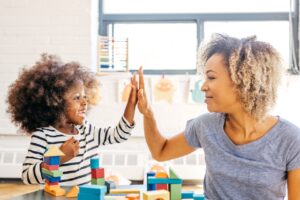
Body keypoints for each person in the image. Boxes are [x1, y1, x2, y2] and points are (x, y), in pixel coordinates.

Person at [137, 34, 300, 199]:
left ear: (242, 81)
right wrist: (148, 114)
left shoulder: (290, 139)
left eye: (211, 77)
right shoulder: (205, 126)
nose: (203, 87)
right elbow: (161, 151)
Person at [7, 54, 137, 186]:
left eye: (85, 96)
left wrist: (131, 103)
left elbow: (119, 135)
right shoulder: (44, 136)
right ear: (56, 103)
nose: (85, 102)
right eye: (77, 98)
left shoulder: (86, 129)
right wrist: (59, 158)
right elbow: (27, 176)